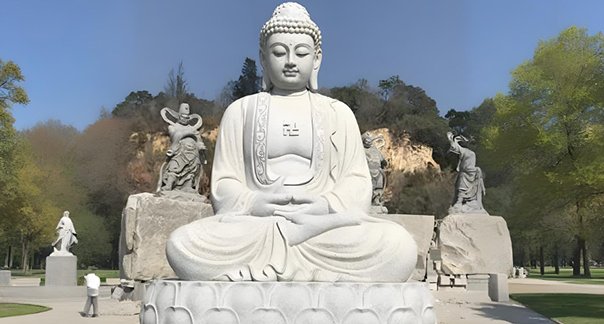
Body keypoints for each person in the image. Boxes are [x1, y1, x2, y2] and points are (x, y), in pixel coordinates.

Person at [166, 3, 417, 282]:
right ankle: (319, 277)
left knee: (399, 245)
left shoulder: (338, 113)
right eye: (278, 52)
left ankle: (267, 272)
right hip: (259, 227)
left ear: (317, 59)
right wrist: (254, 202)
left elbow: (357, 182)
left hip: (321, 228)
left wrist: (324, 206)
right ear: (263, 59)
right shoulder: (241, 112)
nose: (290, 61)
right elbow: (225, 183)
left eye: (301, 53)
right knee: (181, 244)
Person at [447, 132, 487, 214]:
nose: (453, 150)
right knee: (460, 182)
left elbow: (469, 167)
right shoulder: (463, 153)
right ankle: (459, 202)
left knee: (462, 181)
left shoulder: (471, 154)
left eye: (453, 148)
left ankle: (460, 202)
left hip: (468, 175)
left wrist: (476, 170)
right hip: (464, 174)